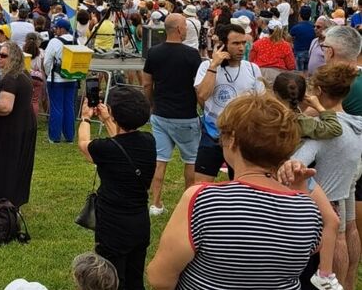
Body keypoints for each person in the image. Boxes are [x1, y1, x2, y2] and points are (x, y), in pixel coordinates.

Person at [148, 95, 325, 290]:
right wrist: (300, 192)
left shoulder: (203, 200)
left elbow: (159, 277)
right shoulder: (308, 209)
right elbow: (310, 249)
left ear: (232, 140)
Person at [290, 62, 362, 289]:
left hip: (329, 184)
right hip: (350, 173)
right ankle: (348, 281)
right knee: (350, 226)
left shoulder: (324, 128)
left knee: (338, 234)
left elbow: (298, 160)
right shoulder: (356, 122)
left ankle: (334, 280)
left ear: (319, 92)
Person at [77, 86, 155, 290]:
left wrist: (86, 118)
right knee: (135, 277)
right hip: (139, 222)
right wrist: (107, 120)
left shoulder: (105, 149)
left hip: (113, 225)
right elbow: (123, 142)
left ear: (113, 112)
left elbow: (84, 144)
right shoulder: (149, 141)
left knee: (111, 278)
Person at [140, 13, 202, 215]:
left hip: (161, 114)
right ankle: (188, 205)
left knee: (160, 161)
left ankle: (155, 203)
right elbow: (198, 86)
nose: (186, 29)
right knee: (191, 161)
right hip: (186, 115)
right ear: (178, 29)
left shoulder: (154, 53)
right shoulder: (192, 55)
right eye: (185, 26)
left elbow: (147, 83)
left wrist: (150, 104)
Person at [193, 23, 265, 183]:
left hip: (242, 136)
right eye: (236, 43)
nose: (241, 48)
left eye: (244, 43)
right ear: (223, 45)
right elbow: (203, 94)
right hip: (213, 134)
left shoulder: (252, 69)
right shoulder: (206, 66)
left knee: (242, 185)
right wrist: (214, 66)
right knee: (200, 184)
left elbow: (260, 103)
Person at [0, 42, 37, 206]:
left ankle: (2, 204)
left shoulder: (10, 78)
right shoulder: (24, 74)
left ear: (13, 58)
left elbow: (5, 107)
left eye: (3, 55)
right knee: (19, 166)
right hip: (24, 126)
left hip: (10, 130)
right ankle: (14, 203)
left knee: (5, 167)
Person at [43, 19, 80, 143]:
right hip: (72, 77)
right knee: (69, 107)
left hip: (56, 79)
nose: (55, 30)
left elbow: (47, 61)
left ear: (61, 29)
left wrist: (49, 73)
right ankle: (69, 136)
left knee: (56, 107)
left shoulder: (54, 41)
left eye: (56, 28)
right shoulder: (76, 40)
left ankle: (55, 137)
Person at [250, 19, 296, 83]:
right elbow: (291, 66)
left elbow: (251, 60)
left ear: (268, 30)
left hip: (260, 74)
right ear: (281, 30)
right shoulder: (286, 46)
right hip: (278, 76)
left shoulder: (258, 43)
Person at [291, 6, 317, 71]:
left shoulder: (296, 28)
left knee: (299, 72)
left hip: (299, 53)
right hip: (310, 52)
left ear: (300, 15)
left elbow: (290, 37)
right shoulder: (314, 27)